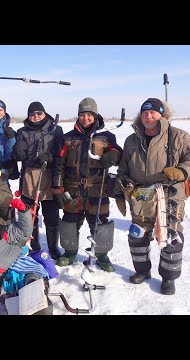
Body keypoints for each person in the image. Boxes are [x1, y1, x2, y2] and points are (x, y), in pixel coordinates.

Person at [114, 98, 190, 295]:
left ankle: (168, 279)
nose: (149, 116)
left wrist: (181, 171)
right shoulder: (131, 140)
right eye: (145, 112)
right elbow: (123, 168)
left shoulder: (178, 136)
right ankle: (142, 271)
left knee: (171, 238)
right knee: (137, 235)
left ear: (162, 115)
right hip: (141, 196)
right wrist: (123, 183)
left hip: (170, 195)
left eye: (153, 112)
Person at [54, 98, 123, 271]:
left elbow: (117, 151)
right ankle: (69, 253)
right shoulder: (68, 138)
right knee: (69, 222)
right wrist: (57, 187)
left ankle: (101, 255)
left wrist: (113, 154)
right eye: (82, 115)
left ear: (95, 115)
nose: (85, 118)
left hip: (97, 189)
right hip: (73, 188)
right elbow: (59, 164)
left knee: (100, 223)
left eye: (89, 115)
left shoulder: (106, 136)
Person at [13, 101, 64, 259]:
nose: (36, 116)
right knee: (30, 215)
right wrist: (18, 151)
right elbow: (18, 153)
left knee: (51, 216)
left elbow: (61, 152)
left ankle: (53, 246)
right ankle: (34, 245)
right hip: (29, 176)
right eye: (32, 114)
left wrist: (49, 156)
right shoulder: (22, 131)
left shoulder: (56, 130)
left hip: (48, 175)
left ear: (44, 113)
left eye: (39, 113)